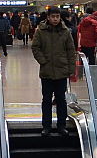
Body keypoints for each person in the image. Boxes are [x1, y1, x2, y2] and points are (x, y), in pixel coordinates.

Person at [31, 8, 77, 136]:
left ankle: (61, 125)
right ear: (48, 17)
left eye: (57, 16)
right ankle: (46, 126)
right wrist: (43, 61)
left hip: (62, 71)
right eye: (53, 17)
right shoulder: (41, 31)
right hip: (46, 71)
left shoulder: (65, 32)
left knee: (61, 99)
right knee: (46, 99)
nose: (55, 19)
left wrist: (71, 69)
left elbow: (70, 51)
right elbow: (35, 48)